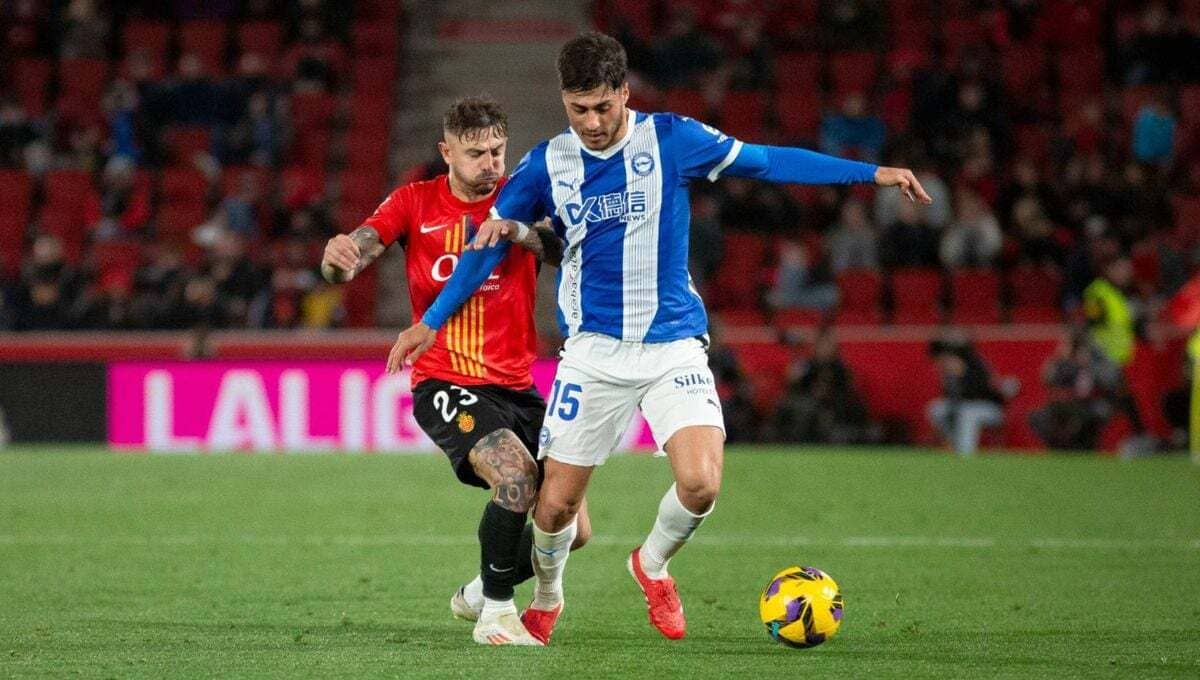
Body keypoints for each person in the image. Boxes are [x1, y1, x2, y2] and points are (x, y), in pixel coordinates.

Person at [387, 32, 930, 642]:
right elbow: (482, 250)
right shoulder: (546, 162)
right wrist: (429, 323)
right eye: (578, 109)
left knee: (701, 483)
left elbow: (767, 160)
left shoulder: (671, 139)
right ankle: (547, 595)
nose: (592, 123)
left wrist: (871, 173)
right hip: (592, 354)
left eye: (603, 107)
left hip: (672, 344)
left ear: (624, 92)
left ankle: (651, 565)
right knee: (555, 509)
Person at [321, 97, 590, 647]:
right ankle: (496, 613)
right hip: (445, 380)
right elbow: (356, 253)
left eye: (497, 150)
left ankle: (474, 592)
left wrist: (519, 231)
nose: (489, 162)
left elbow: (563, 250)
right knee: (515, 478)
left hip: (517, 385)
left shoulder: (524, 197)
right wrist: (336, 258)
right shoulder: (414, 203)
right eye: (475, 153)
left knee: (572, 528)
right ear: (447, 152)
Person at [926, 333, 1010, 456]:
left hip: (989, 407)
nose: (946, 360)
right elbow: (951, 398)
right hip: (964, 407)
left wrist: (963, 375)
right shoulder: (949, 372)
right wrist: (953, 378)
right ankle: (952, 445)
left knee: (967, 412)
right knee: (936, 408)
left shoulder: (977, 366)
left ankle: (965, 454)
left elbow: (984, 392)